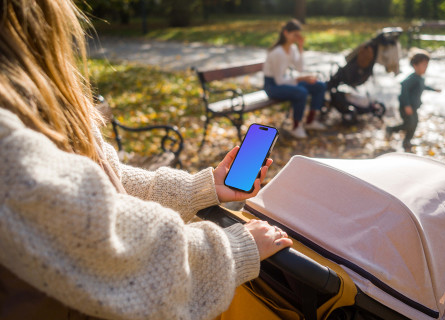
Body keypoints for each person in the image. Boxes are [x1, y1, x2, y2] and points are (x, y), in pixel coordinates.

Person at [0, 1, 292, 319]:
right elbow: (115, 249)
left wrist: (202, 187)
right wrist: (234, 249)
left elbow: (104, 182)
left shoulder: (27, 104)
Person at [263, 19, 327, 139]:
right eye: (295, 35)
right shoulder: (277, 53)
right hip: (272, 86)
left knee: (319, 85)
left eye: (299, 35)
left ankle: (310, 121)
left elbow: (300, 68)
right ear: (286, 33)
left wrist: (301, 47)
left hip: (284, 81)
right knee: (301, 92)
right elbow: (279, 81)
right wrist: (301, 79)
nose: (297, 37)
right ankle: (296, 127)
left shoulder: (292, 49)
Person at [386, 48, 441, 151]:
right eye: (423, 65)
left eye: (427, 65)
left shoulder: (420, 78)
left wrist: (434, 89)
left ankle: (407, 141)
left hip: (413, 107)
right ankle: (391, 129)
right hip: (406, 107)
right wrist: (406, 105)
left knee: (414, 124)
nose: (426, 68)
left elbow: (422, 86)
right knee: (409, 124)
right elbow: (404, 87)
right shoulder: (412, 78)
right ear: (415, 65)